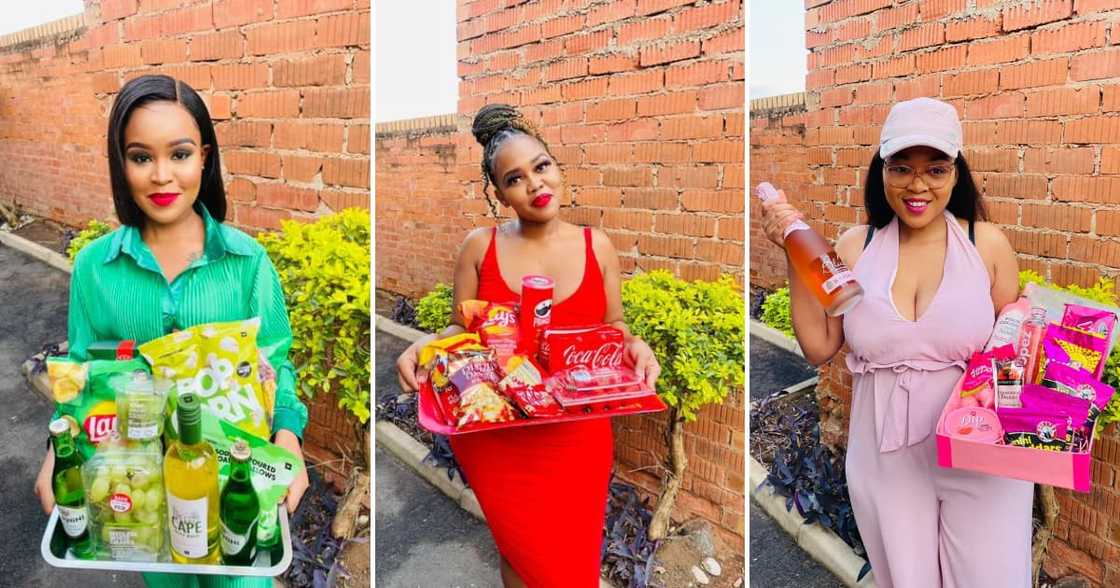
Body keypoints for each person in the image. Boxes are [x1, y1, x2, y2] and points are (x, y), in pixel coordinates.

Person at [32, 75, 310, 587]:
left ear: (204, 156)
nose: (162, 176)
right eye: (141, 157)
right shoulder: (95, 267)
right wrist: (59, 451)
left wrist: (288, 437)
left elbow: (278, 364)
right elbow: (81, 376)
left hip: (233, 478)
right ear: (121, 162)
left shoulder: (247, 262)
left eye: (179, 154)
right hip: (142, 488)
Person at [759, 97, 1032, 588]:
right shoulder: (852, 247)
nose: (918, 185)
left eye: (936, 168)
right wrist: (793, 255)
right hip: (885, 453)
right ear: (881, 170)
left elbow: (1011, 355)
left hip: (979, 447)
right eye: (901, 167)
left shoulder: (986, 244)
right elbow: (819, 347)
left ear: (956, 174)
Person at [396, 103, 660, 587]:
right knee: (519, 554)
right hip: (499, 437)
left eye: (541, 167)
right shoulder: (480, 247)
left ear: (557, 167)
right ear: (499, 194)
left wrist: (636, 346)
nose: (535, 184)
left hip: (577, 436)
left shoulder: (595, 245)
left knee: (573, 562)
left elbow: (613, 326)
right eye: (515, 178)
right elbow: (464, 333)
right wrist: (426, 347)